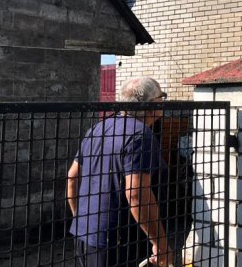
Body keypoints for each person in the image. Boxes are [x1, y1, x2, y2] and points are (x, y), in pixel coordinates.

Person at [67, 77, 174, 267]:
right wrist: (160, 242)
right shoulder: (141, 136)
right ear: (152, 105)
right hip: (120, 243)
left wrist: (81, 219)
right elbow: (136, 195)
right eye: (162, 98)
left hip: (84, 237)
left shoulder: (97, 129)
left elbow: (72, 178)